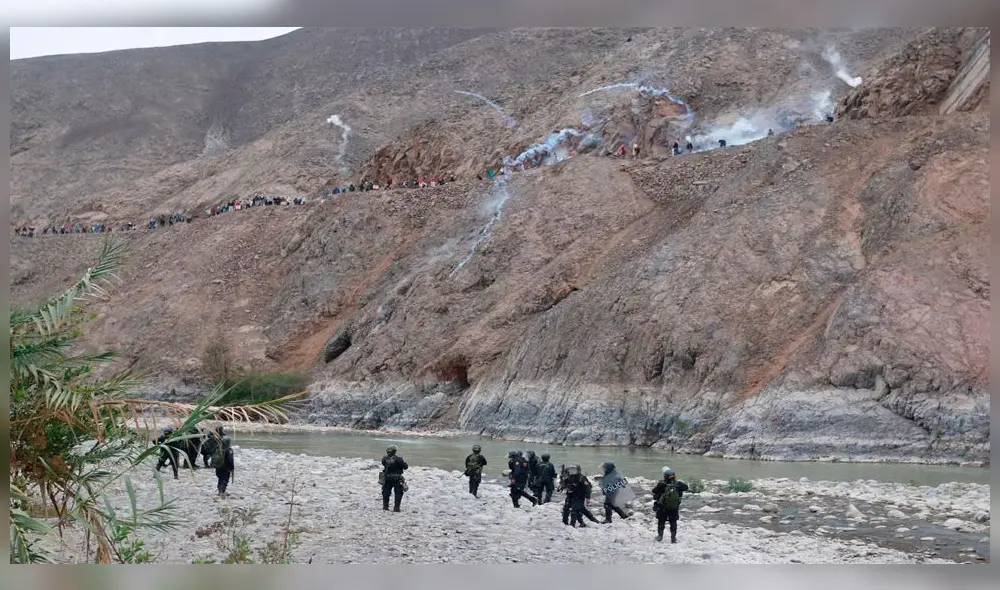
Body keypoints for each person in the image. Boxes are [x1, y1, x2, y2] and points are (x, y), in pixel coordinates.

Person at [651, 466, 690, 543]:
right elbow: (686, 488)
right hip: (674, 508)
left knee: (661, 521)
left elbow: (654, 491)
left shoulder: (661, 484)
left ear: (665, 476)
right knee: (673, 522)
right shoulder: (679, 484)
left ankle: (660, 536)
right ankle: (673, 538)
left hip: (662, 508)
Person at [381, 445, 409, 512]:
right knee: (398, 493)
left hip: (387, 478)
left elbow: (383, 464)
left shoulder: (384, 459)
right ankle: (396, 508)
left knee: (386, 492)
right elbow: (405, 467)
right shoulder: (398, 459)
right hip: (397, 479)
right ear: (395, 451)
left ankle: (385, 506)